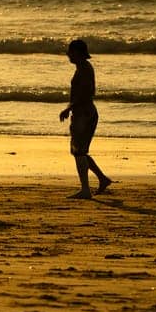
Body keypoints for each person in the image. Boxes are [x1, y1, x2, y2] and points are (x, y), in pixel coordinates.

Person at [60, 38, 113, 199]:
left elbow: (86, 93)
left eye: (71, 52)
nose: (68, 55)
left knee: (79, 152)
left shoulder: (84, 69)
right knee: (78, 151)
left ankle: (85, 189)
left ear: (77, 53)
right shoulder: (82, 68)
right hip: (83, 112)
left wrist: (69, 108)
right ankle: (102, 179)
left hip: (84, 113)